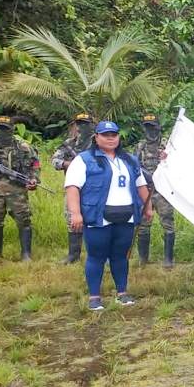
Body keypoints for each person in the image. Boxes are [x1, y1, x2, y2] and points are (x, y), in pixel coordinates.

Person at [63, 121, 152, 311]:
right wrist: (75, 213)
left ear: (119, 137)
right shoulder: (84, 159)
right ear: (96, 137)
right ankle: (94, 296)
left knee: (120, 256)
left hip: (126, 216)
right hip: (98, 215)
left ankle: (122, 293)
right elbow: (72, 188)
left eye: (114, 135)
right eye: (105, 135)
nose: (110, 138)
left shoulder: (129, 160)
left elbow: (141, 185)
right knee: (96, 256)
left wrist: (148, 207)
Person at [0, 115, 40, 262]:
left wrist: (34, 179)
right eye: (0, 129)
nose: (3, 132)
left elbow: (34, 164)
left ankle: (26, 254)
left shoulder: (23, 147)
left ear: (12, 130)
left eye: (6, 129)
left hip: (17, 190)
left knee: (24, 220)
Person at [134, 113, 176, 267]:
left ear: (158, 128)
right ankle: (143, 260)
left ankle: (168, 260)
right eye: (147, 128)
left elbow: (176, 167)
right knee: (143, 225)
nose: (150, 131)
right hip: (145, 191)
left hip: (163, 192)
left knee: (168, 224)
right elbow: (134, 166)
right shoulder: (140, 146)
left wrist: (166, 158)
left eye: (153, 127)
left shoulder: (167, 145)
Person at [52, 112, 94, 263]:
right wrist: (68, 164)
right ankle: (73, 255)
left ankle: (98, 255)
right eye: (80, 124)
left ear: (91, 125)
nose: (82, 127)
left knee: (97, 220)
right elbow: (55, 160)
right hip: (74, 188)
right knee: (72, 220)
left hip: (95, 188)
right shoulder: (68, 144)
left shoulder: (98, 143)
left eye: (86, 124)